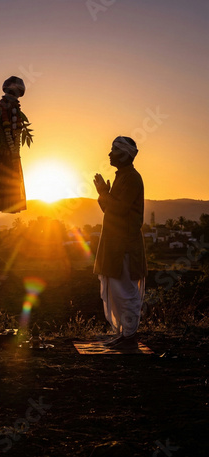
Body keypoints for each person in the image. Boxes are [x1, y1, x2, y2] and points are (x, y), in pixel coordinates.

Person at [93, 136, 147, 348]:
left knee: (125, 292)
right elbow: (109, 209)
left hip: (124, 245)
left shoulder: (131, 178)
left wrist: (104, 193)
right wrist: (103, 194)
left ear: (124, 155)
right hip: (115, 245)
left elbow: (120, 209)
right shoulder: (122, 177)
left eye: (114, 151)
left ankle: (130, 337)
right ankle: (126, 335)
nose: (109, 154)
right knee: (118, 291)